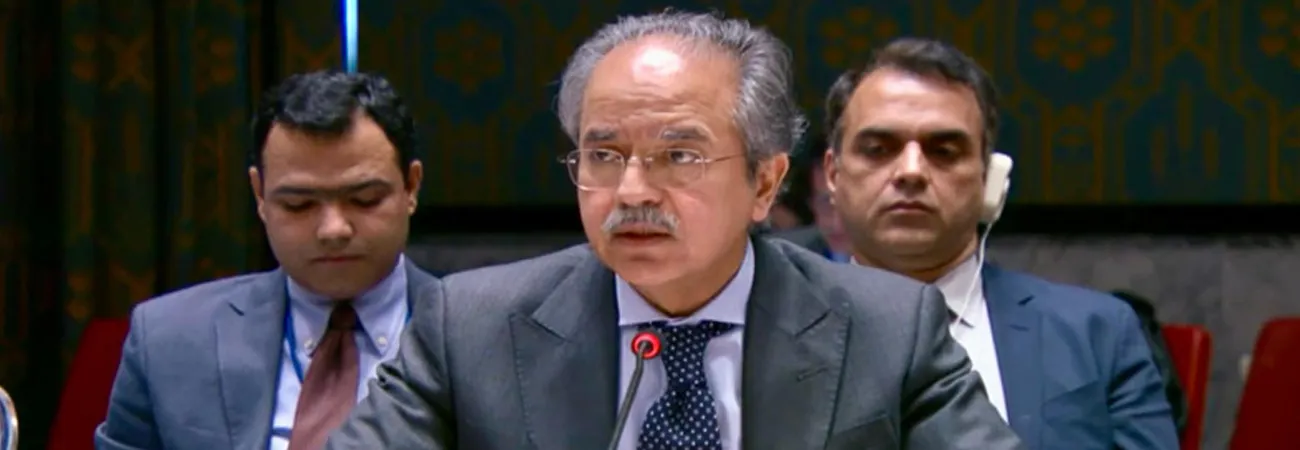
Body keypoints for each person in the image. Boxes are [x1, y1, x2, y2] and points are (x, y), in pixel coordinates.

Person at [328, 11, 1022, 450]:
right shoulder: (471, 327)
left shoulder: (887, 331)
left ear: (764, 182)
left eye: (679, 156)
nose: (632, 191)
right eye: (603, 154)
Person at [812, 37, 1179, 449]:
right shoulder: (770, 335)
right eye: (879, 149)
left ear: (990, 178)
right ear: (833, 174)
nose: (911, 171)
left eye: (943, 151)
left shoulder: (1099, 334)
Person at [95, 71, 438, 450]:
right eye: (299, 204)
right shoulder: (168, 338)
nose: (333, 230)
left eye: (364, 199)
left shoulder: (477, 340)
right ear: (260, 195)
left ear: (411, 186)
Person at [770, 132, 853, 261]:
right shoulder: (782, 258)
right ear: (812, 203)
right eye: (826, 203)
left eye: (848, 203)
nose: (836, 223)